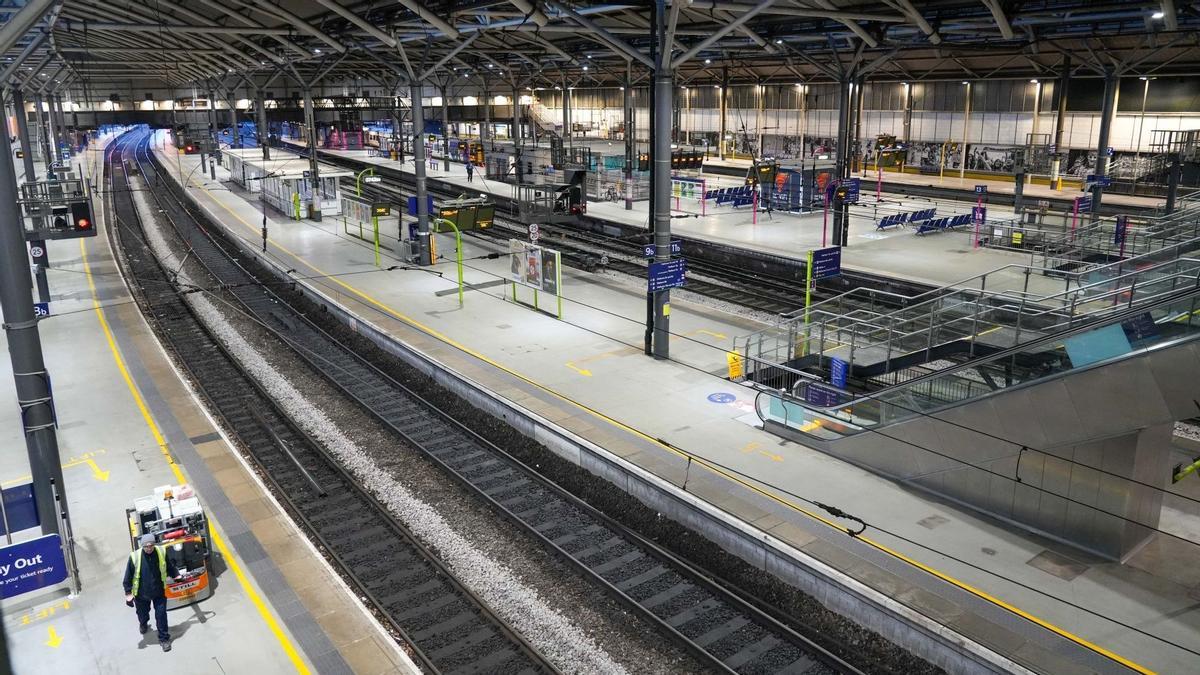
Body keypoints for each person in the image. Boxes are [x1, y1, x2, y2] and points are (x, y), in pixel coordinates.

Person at [123, 534, 182, 651]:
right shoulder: (135, 557)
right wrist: (128, 593)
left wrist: (176, 575)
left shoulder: (160, 552)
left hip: (158, 591)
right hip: (141, 594)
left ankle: (164, 639)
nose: (149, 549)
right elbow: (128, 577)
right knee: (143, 614)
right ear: (142, 546)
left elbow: (169, 566)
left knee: (161, 616)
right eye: (146, 547)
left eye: (151, 546)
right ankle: (143, 623)